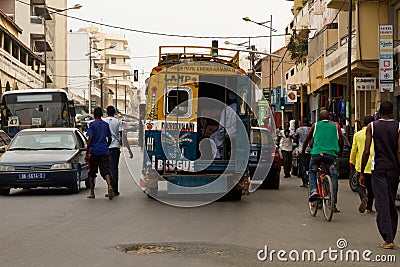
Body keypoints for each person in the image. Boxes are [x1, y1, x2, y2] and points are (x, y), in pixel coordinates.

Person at [360, 101, 400, 249]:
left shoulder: (373, 126)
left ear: (378, 112)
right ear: (392, 112)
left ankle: (388, 238)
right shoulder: (398, 126)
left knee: (381, 203)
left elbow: (366, 151)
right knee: (390, 202)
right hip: (394, 169)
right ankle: (391, 235)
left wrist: (362, 171)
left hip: (379, 169)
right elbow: (399, 151)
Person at [301, 110, 341, 204]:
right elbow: (340, 141)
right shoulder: (335, 126)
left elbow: (307, 139)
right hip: (331, 155)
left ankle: (314, 190)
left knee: (312, 171)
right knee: (333, 176)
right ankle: (333, 202)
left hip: (317, 155)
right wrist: (339, 152)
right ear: (329, 118)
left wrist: (303, 151)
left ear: (319, 117)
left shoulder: (316, 126)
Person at [86, 107, 114, 200]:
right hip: (104, 150)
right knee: (106, 170)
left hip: (94, 151)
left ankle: (92, 192)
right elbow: (110, 138)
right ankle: (109, 186)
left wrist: (87, 149)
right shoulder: (105, 125)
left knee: (92, 172)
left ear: (94, 114)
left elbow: (90, 138)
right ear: (102, 114)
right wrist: (107, 146)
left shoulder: (92, 124)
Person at [350, 115, 375, 214]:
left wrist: (351, 161)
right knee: (371, 187)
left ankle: (363, 197)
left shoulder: (357, 134)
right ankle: (369, 208)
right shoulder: (376, 133)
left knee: (360, 184)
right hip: (373, 164)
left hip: (361, 163)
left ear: (364, 123)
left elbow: (354, 149)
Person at [103, 106, 123, 197]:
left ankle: (110, 188)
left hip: (106, 147)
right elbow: (121, 134)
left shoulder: (104, 121)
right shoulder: (118, 121)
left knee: (107, 169)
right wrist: (121, 144)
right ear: (114, 112)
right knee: (114, 169)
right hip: (115, 147)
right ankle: (115, 190)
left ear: (107, 112)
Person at [295, 118, 311, 187]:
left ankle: (305, 182)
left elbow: (296, 138)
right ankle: (310, 180)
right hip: (310, 149)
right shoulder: (311, 129)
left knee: (303, 166)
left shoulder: (299, 130)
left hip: (302, 149)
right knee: (310, 166)